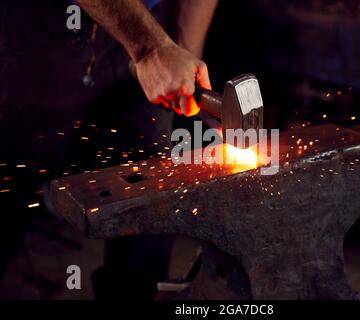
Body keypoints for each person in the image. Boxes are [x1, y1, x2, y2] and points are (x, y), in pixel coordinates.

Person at [0, 0, 218, 291]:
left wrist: (181, 49)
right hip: (42, 27)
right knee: (9, 195)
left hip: (153, 27)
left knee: (148, 210)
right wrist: (150, 48)